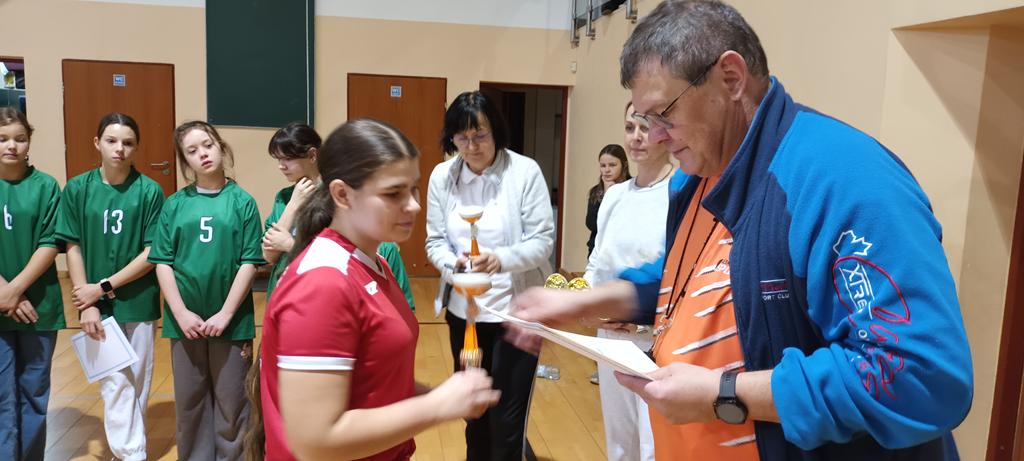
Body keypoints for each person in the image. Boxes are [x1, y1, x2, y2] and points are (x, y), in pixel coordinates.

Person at [511, 1, 973, 460]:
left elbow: (921, 376)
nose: (653, 137)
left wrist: (725, 394)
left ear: (730, 78)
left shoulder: (844, 178)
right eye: (644, 120)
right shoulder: (697, 176)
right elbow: (697, 283)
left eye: (664, 115)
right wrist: (590, 301)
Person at [258, 118, 500, 461]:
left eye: (413, 189)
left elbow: (377, 381)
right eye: (393, 193)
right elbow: (315, 441)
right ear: (342, 194)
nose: (414, 205)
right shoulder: (323, 283)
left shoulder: (376, 263)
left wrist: (445, 396)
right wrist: (437, 406)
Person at [425, 90, 554, 461]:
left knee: (508, 420)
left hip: (516, 315)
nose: (471, 146)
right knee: (474, 412)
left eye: (480, 135)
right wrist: (453, 265)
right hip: (464, 314)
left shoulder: (524, 172)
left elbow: (543, 241)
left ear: (496, 132)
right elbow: (435, 241)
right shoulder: (442, 176)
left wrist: (500, 260)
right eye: (461, 138)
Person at [150, 121, 265, 460]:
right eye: (192, 150)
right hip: (184, 324)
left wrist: (226, 313)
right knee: (190, 403)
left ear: (221, 147)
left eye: (208, 145)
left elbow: (249, 262)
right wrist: (181, 313)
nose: (203, 154)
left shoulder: (242, 202)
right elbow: (162, 262)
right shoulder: (175, 204)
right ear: (185, 161)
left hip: (231, 323)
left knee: (233, 404)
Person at [57, 112, 164, 461]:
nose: (119, 149)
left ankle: (128, 450)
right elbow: (72, 246)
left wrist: (102, 287)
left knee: (138, 380)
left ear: (136, 148)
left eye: (128, 143)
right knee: (114, 380)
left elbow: (151, 253)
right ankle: (132, 453)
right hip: (94, 303)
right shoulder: (77, 188)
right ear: (97, 143)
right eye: (112, 141)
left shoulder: (149, 191)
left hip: (138, 298)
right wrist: (87, 301)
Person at [583, 102, 673, 461]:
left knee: (654, 445)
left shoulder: (679, 191)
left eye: (645, 128)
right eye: (629, 128)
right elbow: (598, 259)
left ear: (666, 131)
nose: (636, 137)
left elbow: (679, 274)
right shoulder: (615, 195)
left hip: (656, 340)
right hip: (610, 338)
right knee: (620, 442)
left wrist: (642, 321)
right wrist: (587, 300)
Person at [261, 122, 416, 309]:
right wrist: (293, 204)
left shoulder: (337, 199)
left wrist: (289, 245)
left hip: (322, 300)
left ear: (312, 155)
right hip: (284, 295)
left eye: (287, 159)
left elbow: (342, 257)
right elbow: (268, 254)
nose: (281, 166)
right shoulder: (284, 198)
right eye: (278, 159)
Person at [0, 107, 64, 461]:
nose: (12, 146)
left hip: (38, 307)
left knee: (34, 394)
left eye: (20, 139)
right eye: (3, 139)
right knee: (2, 396)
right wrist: (4, 292)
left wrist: (14, 290)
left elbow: (50, 241)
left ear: (29, 143)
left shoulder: (46, 186)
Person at [586, 144, 630, 257]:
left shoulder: (633, 188)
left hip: (624, 253)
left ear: (624, 165)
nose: (607, 170)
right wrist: (606, 194)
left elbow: (624, 223)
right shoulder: (596, 191)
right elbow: (591, 224)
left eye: (612, 165)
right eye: (603, 166)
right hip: (598, 252)